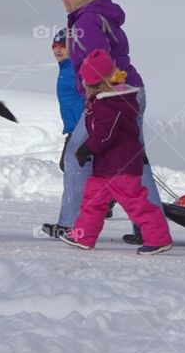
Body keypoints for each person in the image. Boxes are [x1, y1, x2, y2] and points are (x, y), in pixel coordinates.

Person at [42, 0, 164, 243]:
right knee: (134, 158)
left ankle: (72, 224)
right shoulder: (99, 15)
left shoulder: (86, 21)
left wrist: (97, 97)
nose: (62, 0)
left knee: (77, 154)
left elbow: (98, 62)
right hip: (129, 90)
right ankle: (149, 227)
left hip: (110, 93)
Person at [60, 49, 173, 255]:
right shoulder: (104, 102)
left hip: (120, 166)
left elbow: (105, 134)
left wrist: (87, 149)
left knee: (137, 203)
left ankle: (159, 238)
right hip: (106, 166)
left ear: (96, 83)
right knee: (93, 200)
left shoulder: (109, 104)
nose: (84, 86)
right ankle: (82, 236)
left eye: (86, 82)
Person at [41, 29, 112, 238]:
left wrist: (88, 120)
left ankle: (79, 217)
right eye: (55, 46)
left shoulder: (75, 69)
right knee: (80, 167)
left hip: (83, 126)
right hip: (74, 127)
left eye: (63, 46)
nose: (58, 50)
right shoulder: (65, 68)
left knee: (71, 164)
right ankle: (104, 200)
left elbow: (90, 92)